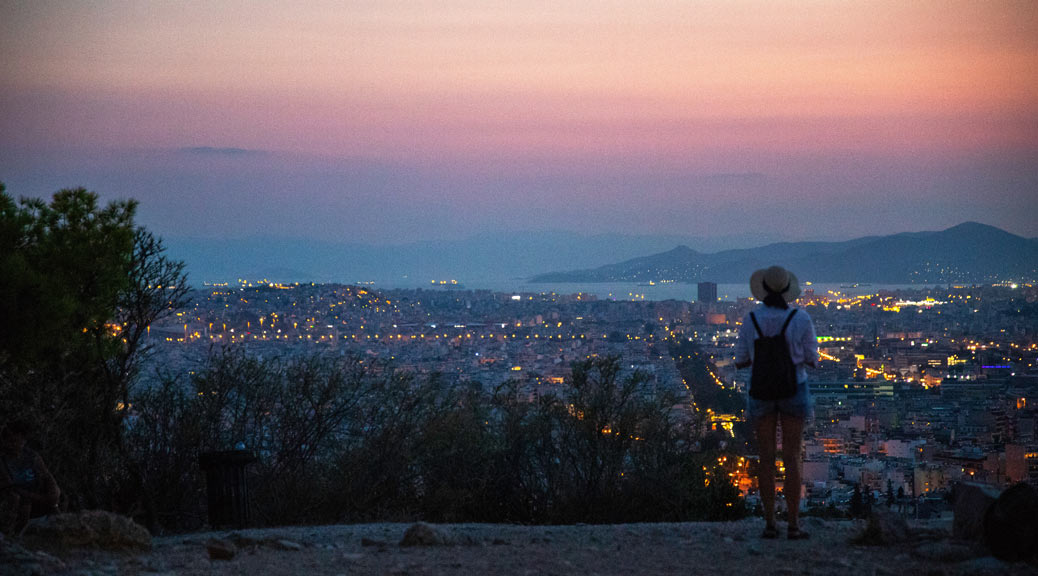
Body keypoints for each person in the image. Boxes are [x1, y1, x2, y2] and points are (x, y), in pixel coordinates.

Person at [734, 266, 818, 540]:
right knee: (793, 457)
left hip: (761, 389)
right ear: (787, 290)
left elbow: (740, 360)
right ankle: (793, 524)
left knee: (766, 458)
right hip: (794, 387)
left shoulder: (751, 320)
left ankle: (770, 523)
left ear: (763, 290)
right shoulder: (801, 318)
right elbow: (812, 358)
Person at [1, 419, 61, 537]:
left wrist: (53, 490)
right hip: (20, 498)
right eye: (12, 441)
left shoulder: (31, 455)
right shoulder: (3, 460)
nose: (17, 445)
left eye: (20, 441)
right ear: (6, 442)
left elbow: (47, 475)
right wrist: (42, 498)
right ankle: (15, 536)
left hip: (37, 493)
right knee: (21, 503)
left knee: (59, 498)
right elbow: (11, 488)